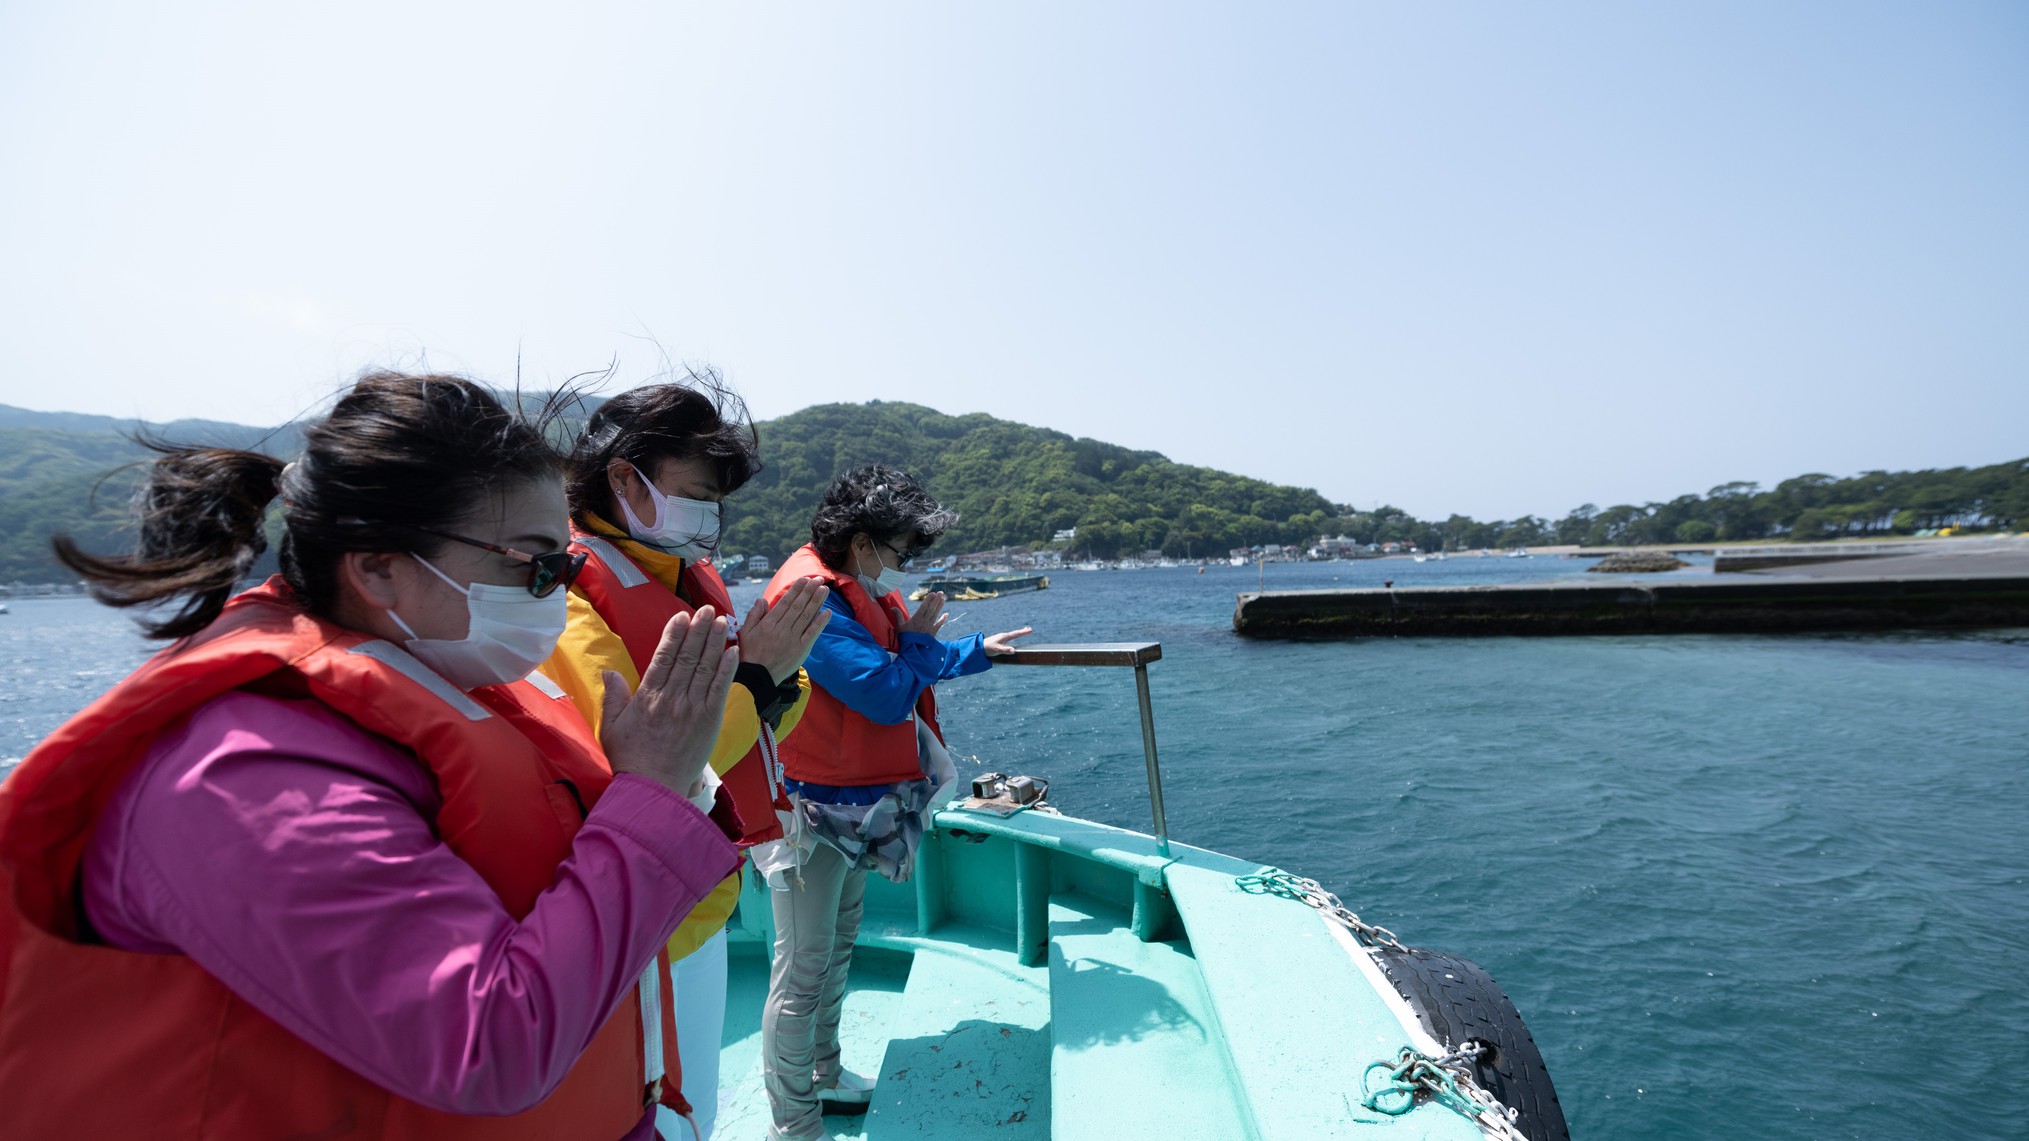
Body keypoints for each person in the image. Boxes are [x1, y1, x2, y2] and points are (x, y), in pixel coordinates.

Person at [0, 373, 743, 1140]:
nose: (556, 592)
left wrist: (644, 777)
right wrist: (648, 794)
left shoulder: (457, 676)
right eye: (535, 563)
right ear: (379, 565)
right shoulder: (243, 777)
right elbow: (489, 1043)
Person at [543, 376, 831, 1140]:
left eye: (716, 500)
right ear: (623, 477)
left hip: (698, 897)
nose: (709, 516)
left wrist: (775, 677)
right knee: (661, 1112)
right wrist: (759, 677)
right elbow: (648, 754)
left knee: (693, 1105)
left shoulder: (678, 575)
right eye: (696, 492)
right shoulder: (567, 593)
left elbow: (756, 715)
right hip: (642, 921)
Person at [755, 463, 1032, 1141]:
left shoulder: (856, 594)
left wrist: (971, 649)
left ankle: (824, 1072)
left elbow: (907, 660)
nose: (902, 564)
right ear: (861, 543)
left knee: (838, 944)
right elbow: (885, 691)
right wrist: (922, 637)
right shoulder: (811, 599)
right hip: (807, 811)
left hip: (854, 804)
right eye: (900, 550)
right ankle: (793, 1123)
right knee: (802, 970)